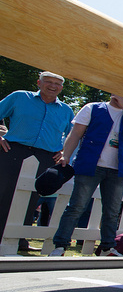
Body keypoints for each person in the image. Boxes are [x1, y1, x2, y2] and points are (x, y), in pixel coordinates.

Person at [52, 95, 123, 256]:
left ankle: (107, 247)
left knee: (112, 211)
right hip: (90, 164)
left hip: (117, 169)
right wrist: (66, 155)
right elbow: (75, 134)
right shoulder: (92, 108)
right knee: (76, 207)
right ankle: (60, 246)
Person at [0, 71, 74, 244]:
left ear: (61, 88)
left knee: (32, 198)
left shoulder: (66, 110)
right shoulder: (20, 97)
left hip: (46, 157)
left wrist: (65, 152)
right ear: (38, 83)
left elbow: (73, 135)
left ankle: (19, 241)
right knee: (4, 194)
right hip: (13, 150)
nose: (53, 86)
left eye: (57, 84)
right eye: (48, 82)